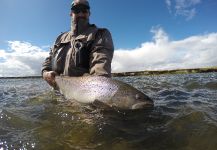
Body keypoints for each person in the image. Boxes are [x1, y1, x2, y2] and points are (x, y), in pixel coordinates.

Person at [41, 0, 114, 87]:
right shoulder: (59, 39)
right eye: (76, 11)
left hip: (85, 94)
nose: (80, 14)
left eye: (84, 11)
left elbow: (101, 63)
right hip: (58, 91)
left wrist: (100, 88)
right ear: (71, 14)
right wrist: (45, 73)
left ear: (89, 13)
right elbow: (48, 61)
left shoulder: (100, 34)